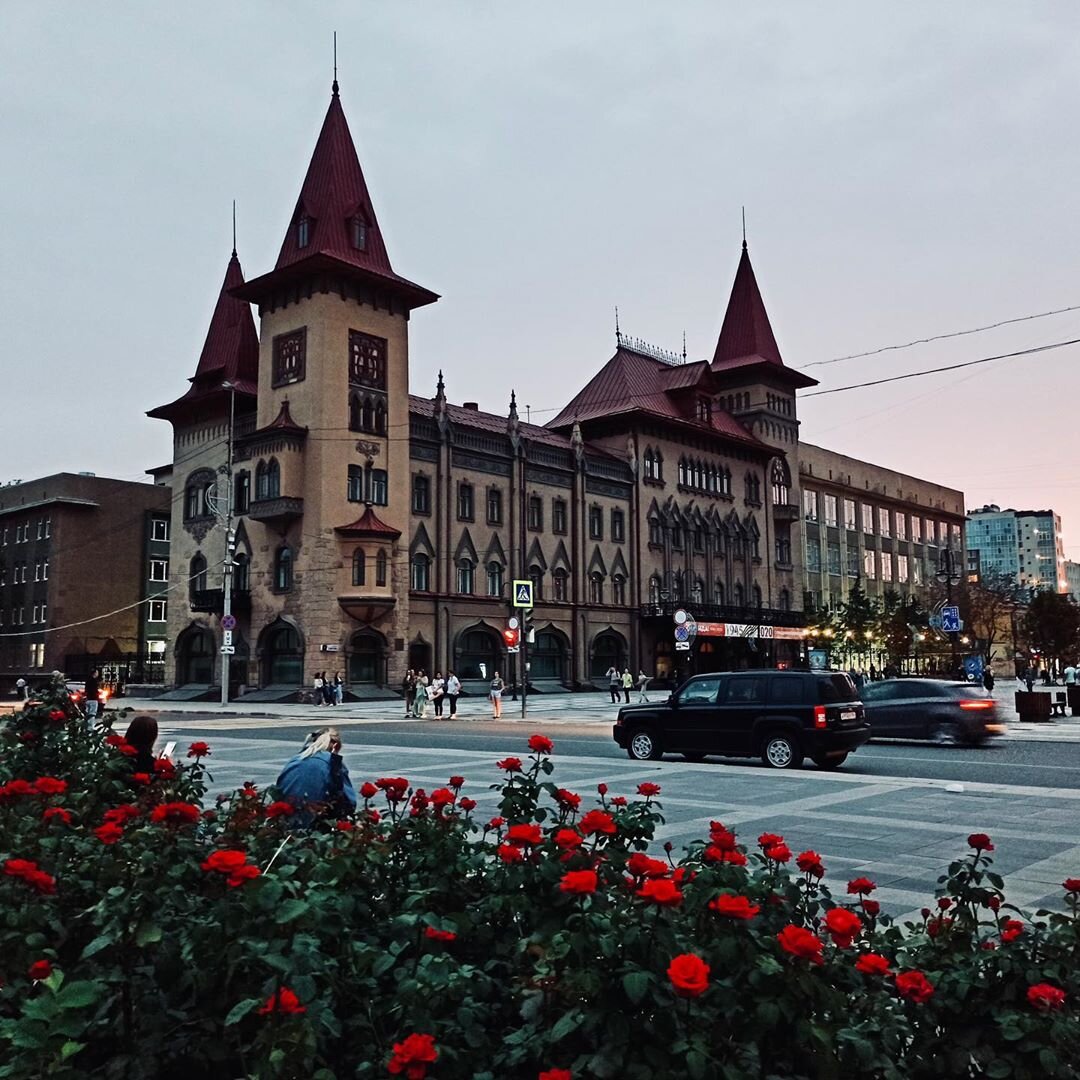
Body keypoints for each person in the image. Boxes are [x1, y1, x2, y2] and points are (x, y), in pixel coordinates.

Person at [275, 727, 357, 827]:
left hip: (285, 819)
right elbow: (349, 802)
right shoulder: (333, 763)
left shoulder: (295, 759)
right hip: (314, 822)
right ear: (336, 746)